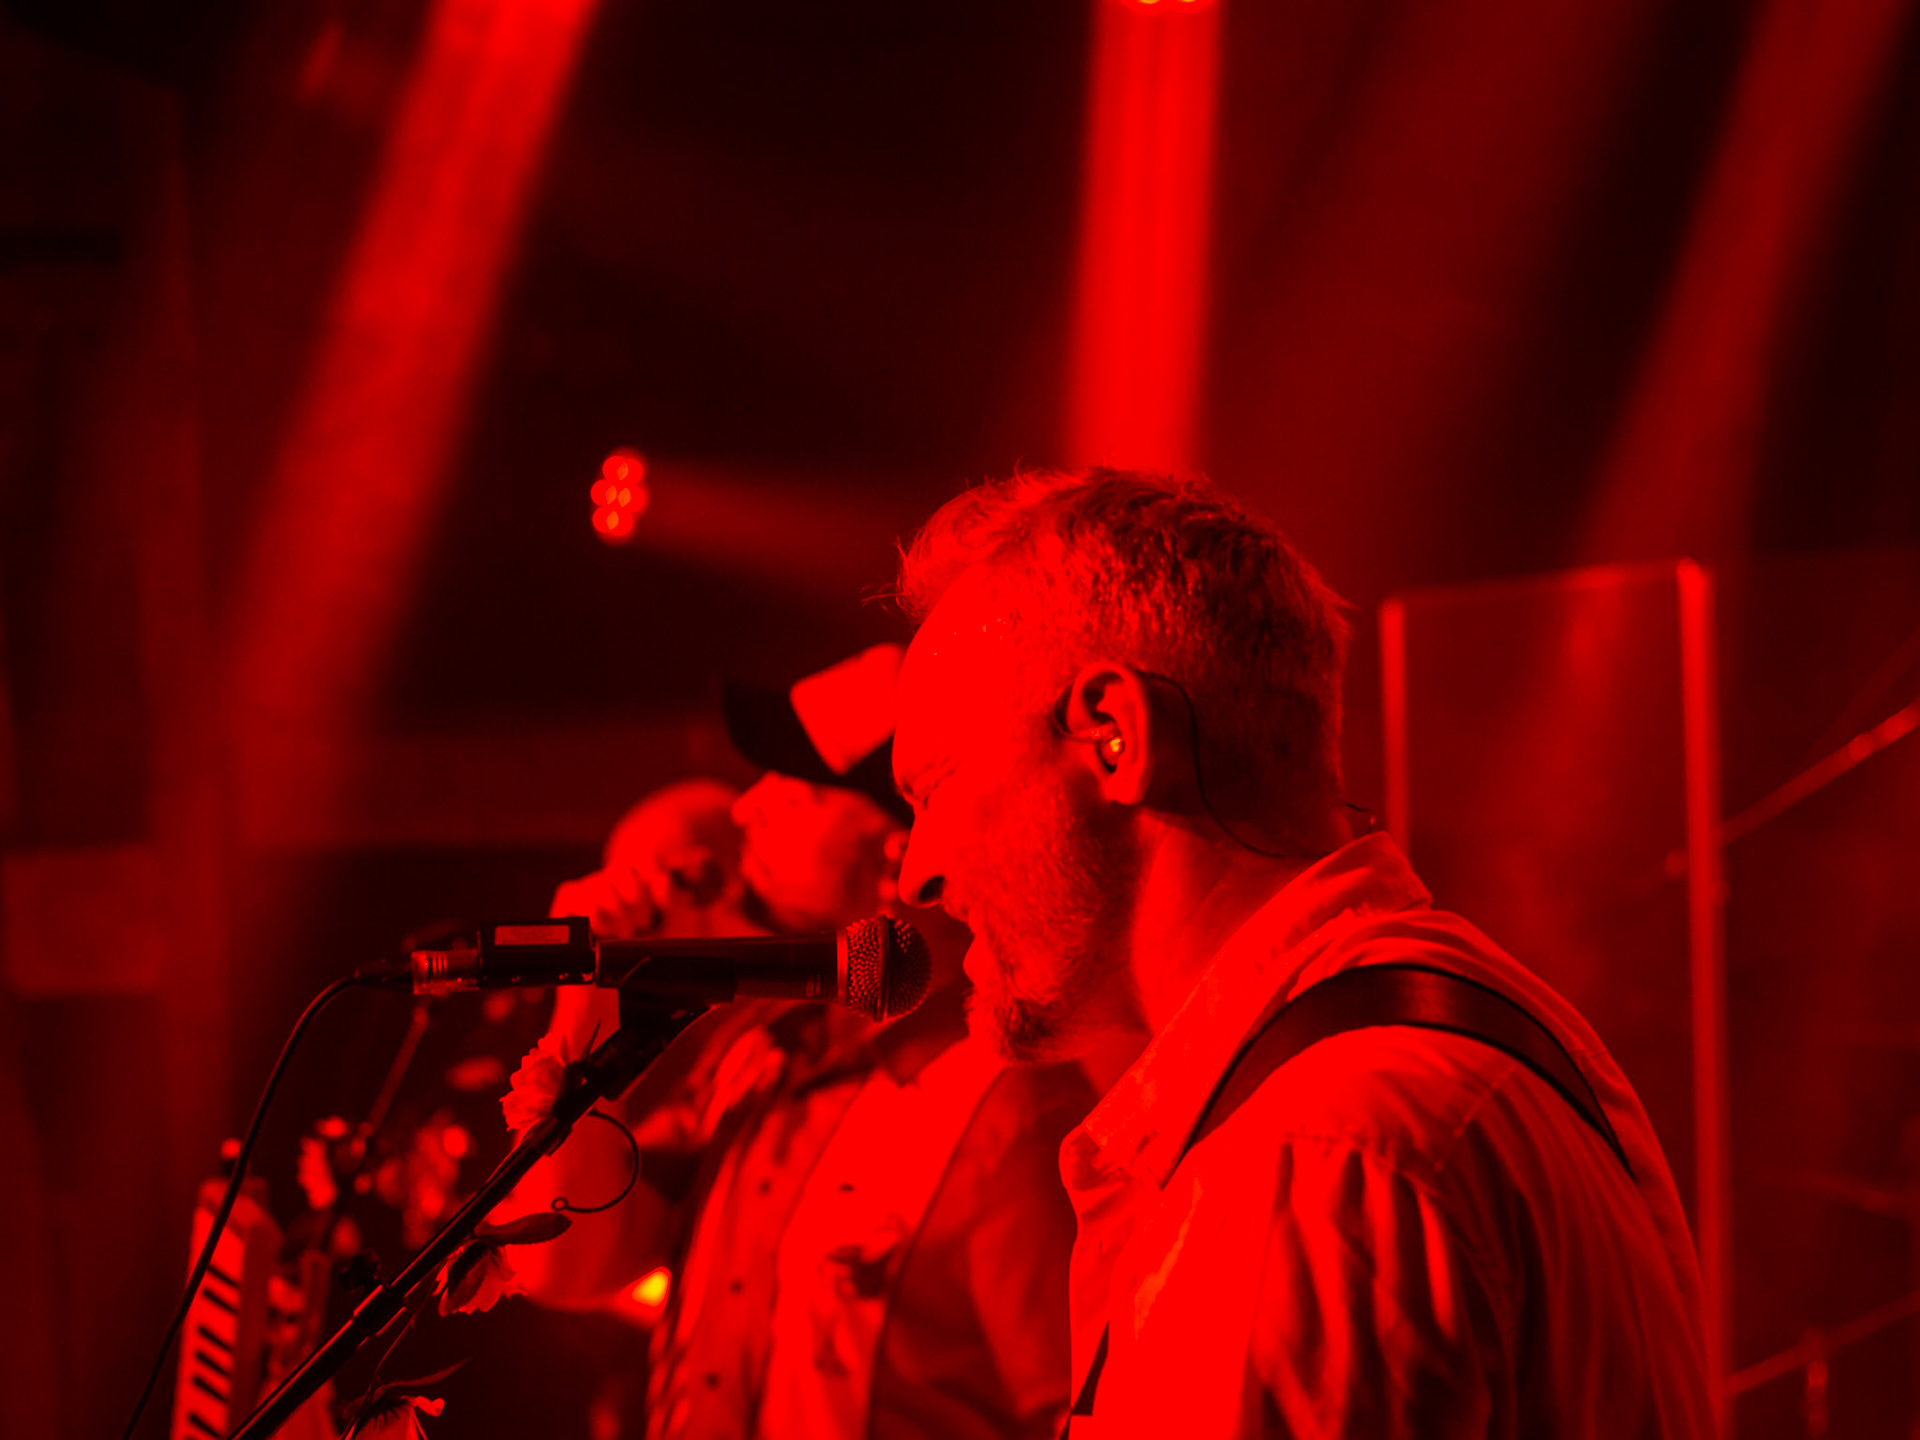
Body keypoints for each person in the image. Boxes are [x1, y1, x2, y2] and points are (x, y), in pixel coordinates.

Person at [887, 468, 1717, 1438]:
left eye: (934, 787)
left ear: (1113, 734)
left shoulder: (1312, 1157)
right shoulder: (1463, 1038)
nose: (915, 873)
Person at [512, 646, 1094, 1440]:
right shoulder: (756, 1063)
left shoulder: (1007, 1105)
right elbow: (561, 1258)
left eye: (795, 787)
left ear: (900, 849)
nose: (745, 810)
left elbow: (1077, 1411)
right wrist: (587, 997)